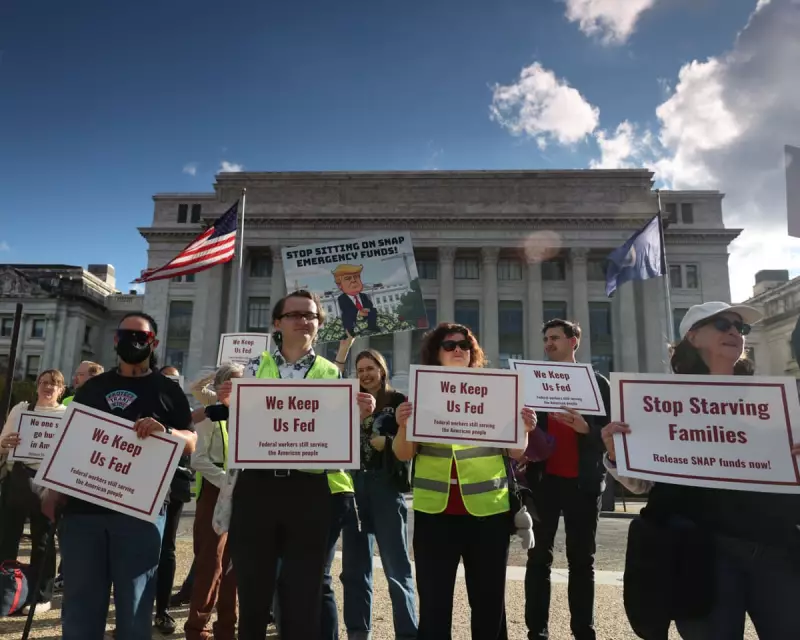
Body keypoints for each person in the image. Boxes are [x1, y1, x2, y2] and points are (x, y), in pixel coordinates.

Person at [602, 301, 800, 639]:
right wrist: (617, 453)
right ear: (692, 337)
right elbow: (643, 484)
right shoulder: (658, 402)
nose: (735, 332)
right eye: (723, 325)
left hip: (774, 544)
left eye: (741, 328)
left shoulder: (772, 398)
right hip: (700, 553)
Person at [215, 290, 369, 640]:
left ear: (319, 324)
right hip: (258, 487)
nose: (303, 321)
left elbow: (337, 433)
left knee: (304, 595)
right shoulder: (254, 367)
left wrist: (357, 417)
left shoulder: (332, 373)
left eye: (311, 316)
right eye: (295, 315)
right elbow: (244, 430)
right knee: (253, 593)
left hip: (309, 490)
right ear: (277, 323)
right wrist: (231, 405)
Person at [42, 311, 196, 640]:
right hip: (84, 511)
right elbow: (72, 441)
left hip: (140, 514)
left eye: (142, 336)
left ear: (154, 342)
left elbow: (191, 441)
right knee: (80, 606)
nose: (134, 341)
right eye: (126, 335)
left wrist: (167, 432)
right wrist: (53, 492)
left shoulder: (167, 390)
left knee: (135, 607)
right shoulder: (93, 388)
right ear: (116, 340)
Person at [393, 322, 536, 640]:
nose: (458, 350)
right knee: (434, 606)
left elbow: (515, 451)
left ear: (473, 353)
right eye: (449, 345)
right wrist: (403, 426)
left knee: (489, 605)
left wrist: (524, 429)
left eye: (464, 345)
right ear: (436, 353)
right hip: (435, 514)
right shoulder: (419, 395)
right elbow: (403, 453)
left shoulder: (497, 391)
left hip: (489, 513)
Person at [524, 319, 611, 640]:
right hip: (543, 483)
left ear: (574, 341)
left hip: (583, 484)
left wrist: (586, 429)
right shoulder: (533, 382)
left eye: (555, 337)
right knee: (538, 559)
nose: (549, 343)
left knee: (582, 561)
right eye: (546, 338)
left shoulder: (598, 384)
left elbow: (612, 434)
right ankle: (537, 632)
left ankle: (584, 632)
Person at [336, 349, 417, 640]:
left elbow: (412, 442)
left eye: (370, 368)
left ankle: (407, 633)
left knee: (397, 566)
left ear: (382, 370)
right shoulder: (349, 400)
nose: (365, 375)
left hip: (386, 485)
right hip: (353, 485)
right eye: (360, 370)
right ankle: (358, 632)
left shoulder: (399, 401)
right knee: (354, 568)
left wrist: (389, 440)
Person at [0, 369, 67, 614]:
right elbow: (2, 444)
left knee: (43, 541)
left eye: (54, 384)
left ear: (62, 390)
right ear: (37, 385)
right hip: (17, 480)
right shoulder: (21, 410)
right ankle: (4, 590)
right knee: (7, 538)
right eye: (44, 382)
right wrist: (4, 444)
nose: (48, 387)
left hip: (48, 484)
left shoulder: (67, 416)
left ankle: (41, 596)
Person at [184, 362, 242, 640]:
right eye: (231, 382)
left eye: (241, 382)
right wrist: (225, 482)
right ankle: (198, 628)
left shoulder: (251, 416)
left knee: (235, 564)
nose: (237, 387)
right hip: (215, 491)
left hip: (243, 492)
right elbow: (198, 459)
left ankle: (227, 628)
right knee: (211, 561)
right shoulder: (210, 413)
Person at [154, 364, 197, 634]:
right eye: (166, 379)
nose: (171, 384)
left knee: (167, 548)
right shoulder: (145, 404)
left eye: (175, 380)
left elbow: (190, 444)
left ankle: (162, 611)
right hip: (143, 483)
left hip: (174, 484)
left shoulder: (182, 410)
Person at [333, 264, 379, 337]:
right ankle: (351, 332)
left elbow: (370, 305)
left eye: (356, 277)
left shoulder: (364, 296)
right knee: (346, 316)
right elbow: (346, 309)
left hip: (365, 318)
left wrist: (367, 309)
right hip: (352, 321)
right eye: (348, 278)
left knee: (373, 310)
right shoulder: (341, 298)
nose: (353, 280)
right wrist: (358, 312)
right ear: (339, 285)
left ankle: (372, 328)